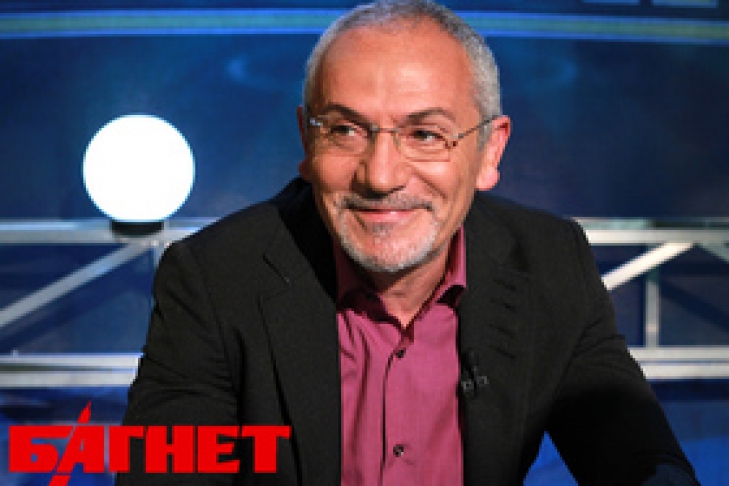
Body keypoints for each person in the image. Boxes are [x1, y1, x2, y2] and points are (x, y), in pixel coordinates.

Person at [117, 1, 699, 484]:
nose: (380, 176)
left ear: (490, 151)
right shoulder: (216, 278)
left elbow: (638, 456)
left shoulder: (549, 262)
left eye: (425, 134)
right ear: (306, 140)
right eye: (346, 130)